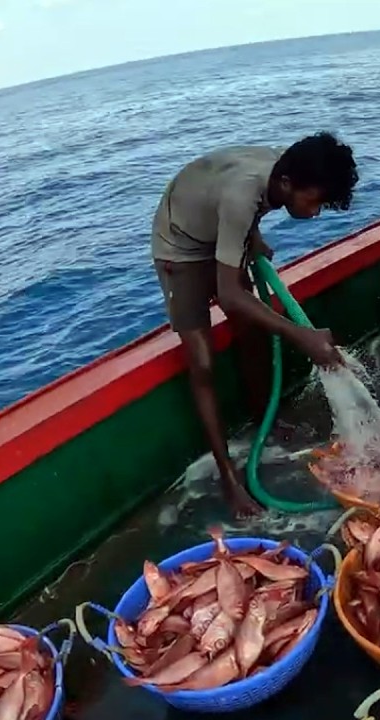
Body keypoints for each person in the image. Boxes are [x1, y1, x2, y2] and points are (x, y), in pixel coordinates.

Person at [151, 133, 357, 516]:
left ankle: (267, 419)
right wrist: (302, 336)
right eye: (313, 202)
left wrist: (252, 236)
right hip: (180, 246)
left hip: (223, 226)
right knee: (203, 363)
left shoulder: (285, 166)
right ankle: (230, 480)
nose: (314, 213)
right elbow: (230, 295)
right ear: (286, 183)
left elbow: (249, 209)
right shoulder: (242, 194)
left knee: (254, 331)